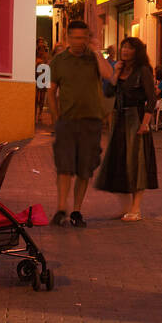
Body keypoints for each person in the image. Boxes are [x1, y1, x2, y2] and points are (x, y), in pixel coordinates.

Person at [47, 20, 112, 227]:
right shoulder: (58, 61)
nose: (79, 42)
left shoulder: (93, 58)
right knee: (64, 167)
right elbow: (51, 90)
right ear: (68, 38)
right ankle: (60, 208)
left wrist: (97, 51)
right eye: (75, 37)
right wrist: (56, 118)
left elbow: (108, 75)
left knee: (84, 169)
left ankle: (76, 210)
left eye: (83, 38)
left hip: (91, 122)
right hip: (66, 121)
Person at [97, 36, 159, 221]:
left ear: (136, 51)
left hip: (136, 118)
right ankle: (126, 207)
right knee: (119, 162)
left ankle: (136, 208)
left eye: (129, 48)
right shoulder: (120, 68)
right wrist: (115, 74)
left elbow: (152, 99)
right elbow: (108, 92)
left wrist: (145, 123)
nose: (124, 50)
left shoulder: (143, 71)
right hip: (119, 118)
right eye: (123, 47)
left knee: (136, 163)